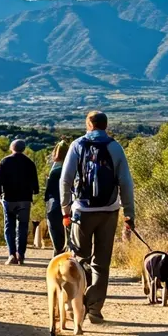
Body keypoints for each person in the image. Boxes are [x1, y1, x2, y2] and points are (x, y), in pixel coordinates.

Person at [60, 111, 135, 324]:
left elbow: (65, 180)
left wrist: (65, 209)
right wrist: (129, 213)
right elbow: (126, 183)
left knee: (78, 259)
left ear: (88, 124)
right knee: (101, 263)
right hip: (109, 210)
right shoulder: (115, 147)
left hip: (82, 211)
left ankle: (76, 305)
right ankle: (94, 308)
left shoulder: (77, 145)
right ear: (106, 125)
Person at [0, 139, 41, 265]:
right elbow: (35, 185)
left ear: (11, 148)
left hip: (9, 198)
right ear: (23, 149)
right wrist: (34, 191)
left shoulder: (5, 161)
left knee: (9, 226)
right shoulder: (29, 163)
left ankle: (11, 254)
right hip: (25, 199)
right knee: (23, 227)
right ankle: (21, 254)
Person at [43, 141, 69, 254]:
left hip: (54, 207)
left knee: (57, 242)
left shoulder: (54, 170)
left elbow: (49, 192)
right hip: (70, 206)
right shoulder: (72, 168)